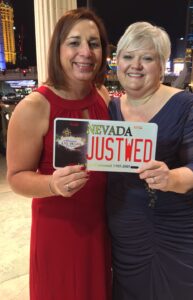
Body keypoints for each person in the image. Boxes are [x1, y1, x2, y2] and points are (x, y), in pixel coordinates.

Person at [107, 21, 193, 300]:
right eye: (128, 56)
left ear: (161, 66)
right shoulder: (109, 108)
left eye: (147, 58)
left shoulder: (186, 106)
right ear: (117, 62)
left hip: (177, 230)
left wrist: (172, 178)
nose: (135, 65)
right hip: (126, 230)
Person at [6, 8, 111, 300]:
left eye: (94, 43)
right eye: (74, 42)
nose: (86, 52)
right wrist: (52, 184)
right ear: (58, 48)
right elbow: (16, 177)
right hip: (60, 230)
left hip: (102, 225)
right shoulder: (34, 107)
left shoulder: (101, 95)